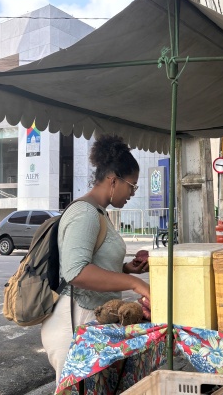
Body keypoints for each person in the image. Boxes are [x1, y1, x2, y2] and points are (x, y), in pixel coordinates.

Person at [40, 134, 150, 385]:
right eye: (132, 185)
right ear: (113, 180)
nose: (133, 193)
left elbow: (94, 262)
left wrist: (125, 268)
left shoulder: (99, 212)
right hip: (75, 322)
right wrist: (134, 284)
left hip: (92, 320)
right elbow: (76, 272)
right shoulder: (85, 213)